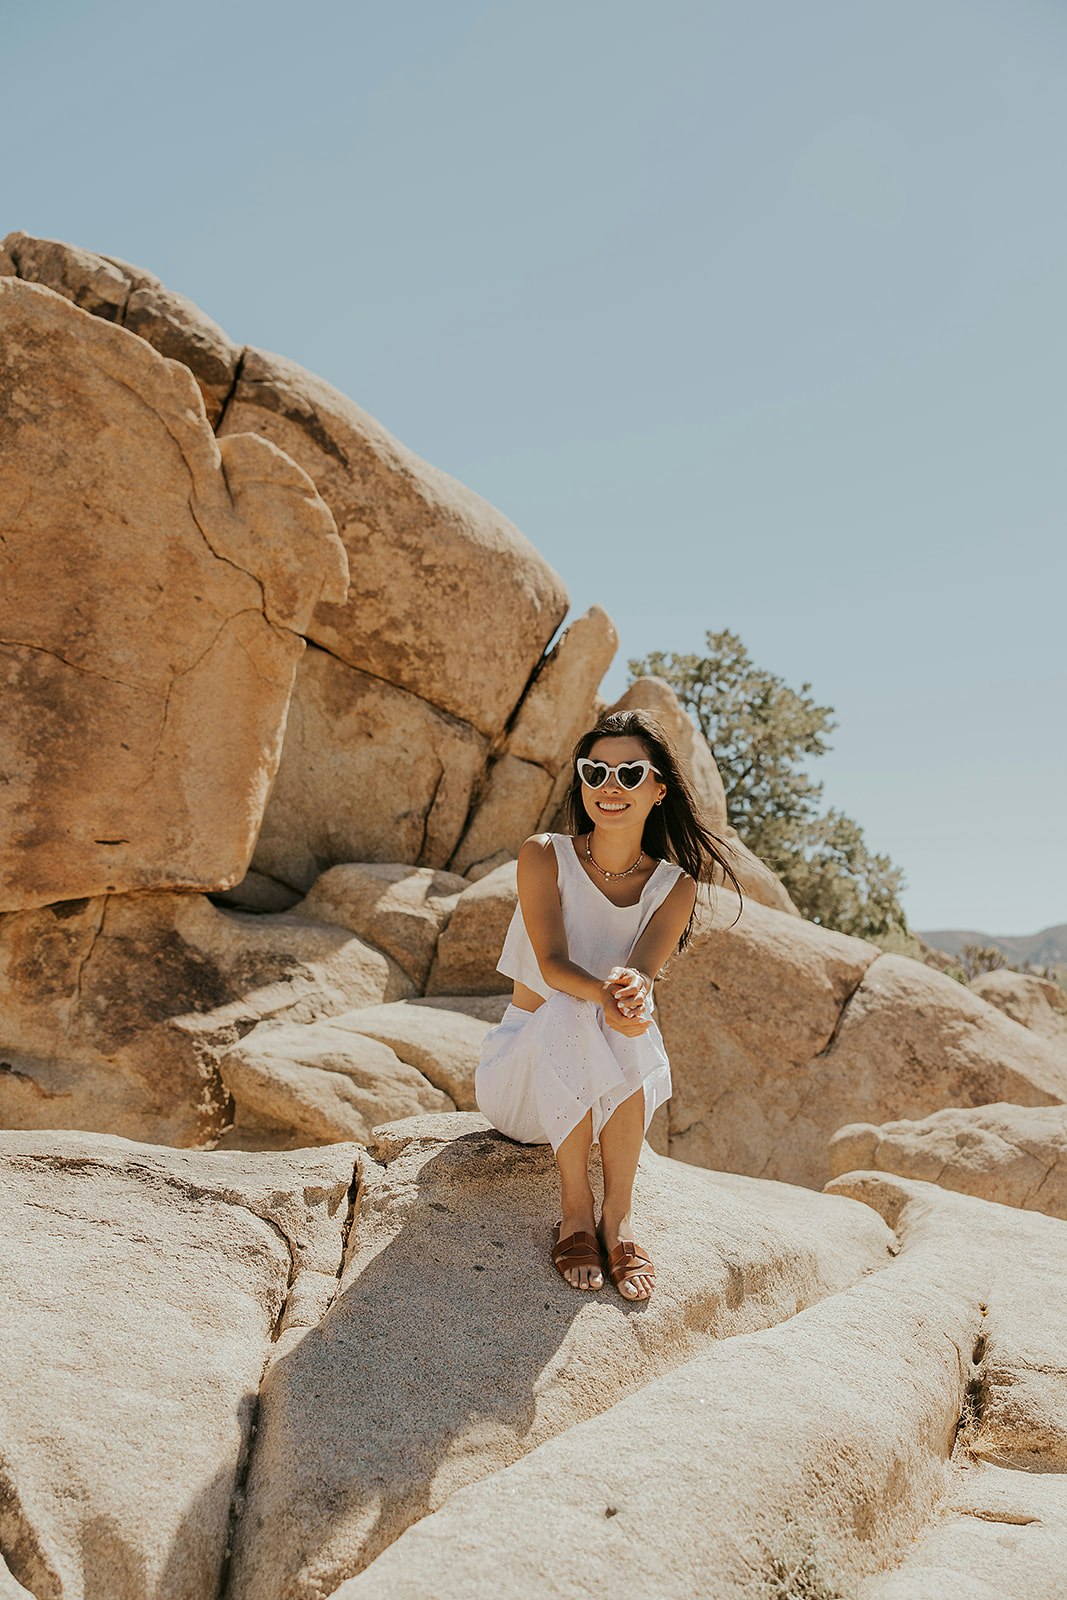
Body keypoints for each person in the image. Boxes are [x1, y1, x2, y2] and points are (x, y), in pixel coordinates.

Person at [475, 708, 743, 1301]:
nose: (609, 787)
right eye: (594, 772)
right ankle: (576, 1208)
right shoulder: (544, 855)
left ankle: (617, 1217)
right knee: (578, 1003)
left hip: (601, 1087)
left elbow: (643, 973)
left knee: (628, 1012)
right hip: (523, 1084)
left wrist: (633, 991)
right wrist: (608, 994)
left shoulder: (673, 887)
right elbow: (551, 967)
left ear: (659, 788)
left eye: (628, 773)